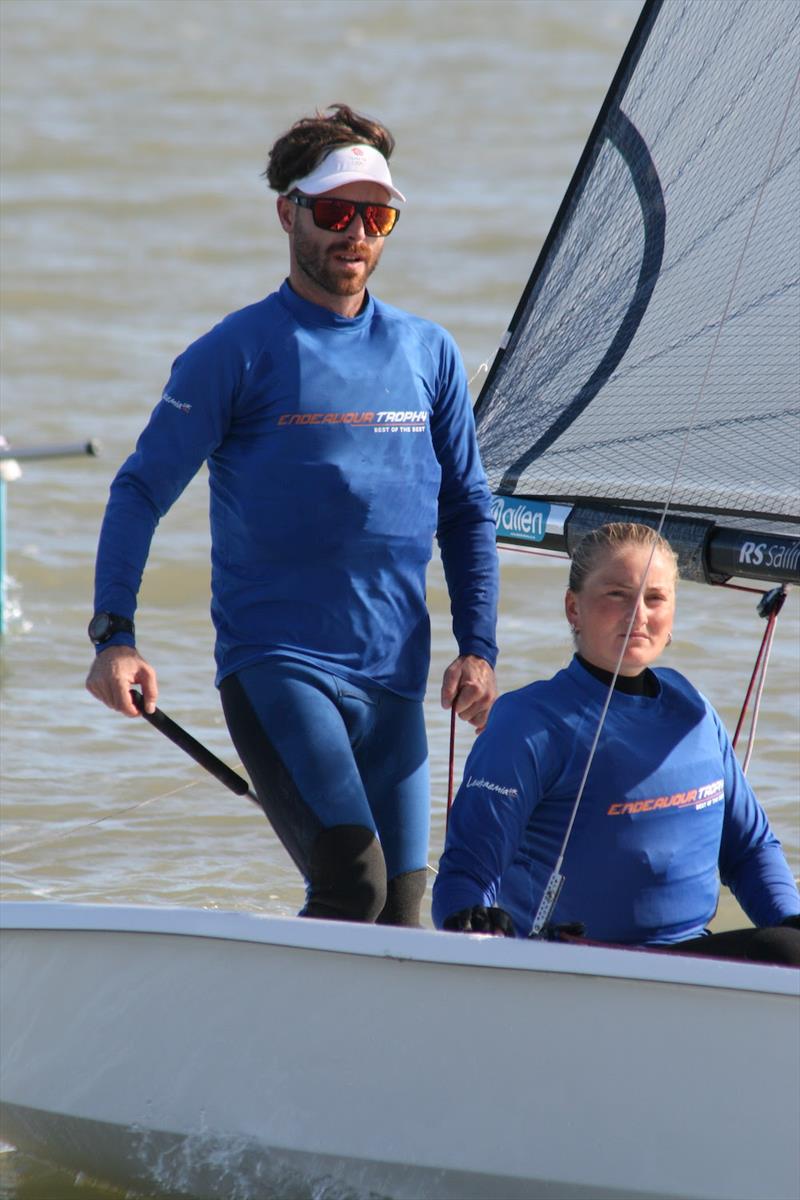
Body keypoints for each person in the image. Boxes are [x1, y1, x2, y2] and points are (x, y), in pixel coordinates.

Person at [86, 104, 499, 928]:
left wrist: (479, 648)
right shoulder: (234, 352)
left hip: (394, 682)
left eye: (376, 217)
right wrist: (115, 636)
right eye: (337, 213)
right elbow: (139, 490)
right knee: (353, 884)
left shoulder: (429, 353)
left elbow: (468, 508)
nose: (357, 235)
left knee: (406, 919)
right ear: (289, 212)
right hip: (279, 666)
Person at [432, 522, 800, 965]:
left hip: (693, 965)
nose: (638, 614)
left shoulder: (694, 712)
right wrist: (469, 927)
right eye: (616, 595)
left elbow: (749, 850)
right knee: (786, 952)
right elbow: (467, 870)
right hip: (581, 967)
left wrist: (789, 917)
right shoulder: (528, 722)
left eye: (655, 598)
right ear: (573, 608)